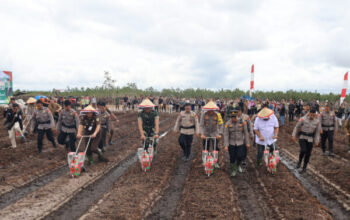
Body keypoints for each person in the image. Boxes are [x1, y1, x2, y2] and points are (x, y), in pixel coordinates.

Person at [292, 108, 321, 173]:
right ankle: (299, 161)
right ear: (309, 114)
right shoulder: (303, 119)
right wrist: (293, 135)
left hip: (310, 138)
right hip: (302, 137)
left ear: (315, 115)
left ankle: (304, 167)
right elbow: (297, 127)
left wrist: (317, 141)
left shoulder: (317, 121)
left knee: (308, 154)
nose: (312, 116)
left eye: (313, 115)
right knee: (303, 150)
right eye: (311, 115)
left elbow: (317, 132)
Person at [224, 108, 250, 176]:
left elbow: (246, 133)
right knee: (232, 157)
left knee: (240, 156)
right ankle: (233, 170)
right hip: (231, 143)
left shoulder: (243, 122)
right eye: (232, 117)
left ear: (237, 116)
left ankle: (238, 165)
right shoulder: (227, 124)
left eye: (234, 117)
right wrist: (226, 145)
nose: (233, 119)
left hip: (240, 142)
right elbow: (226, 135)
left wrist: (247, 143)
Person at [199, 101, 224, 168]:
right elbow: (201, 125)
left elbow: (221, 125)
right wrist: (202, 134)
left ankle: (216, 162)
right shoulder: (204, 115)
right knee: (205, 148)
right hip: (206, 133)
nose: (210, 111)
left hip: (214, 133)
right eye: (209, 109)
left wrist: (220, 134)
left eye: (212, 110)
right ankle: (205, 161)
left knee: (215, 148)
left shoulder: (217, 115)